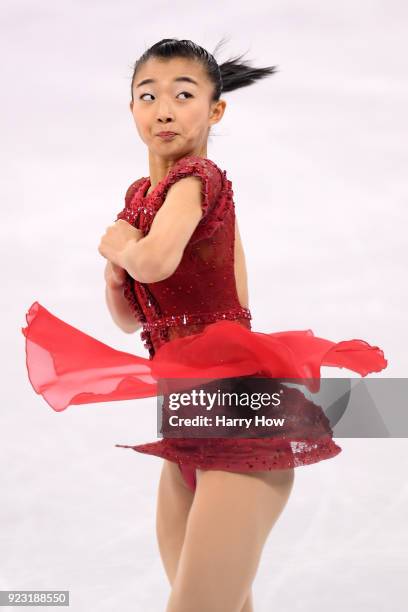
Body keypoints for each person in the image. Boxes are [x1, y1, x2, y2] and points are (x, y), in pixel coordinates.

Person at [22, 38, 388, 612]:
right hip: (184, 423)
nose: (163, 109)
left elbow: (156, 261)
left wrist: (123, 249)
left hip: (238, 419)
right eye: (148, 95)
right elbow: (129, 320)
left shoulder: (198, 179)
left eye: (183, 94)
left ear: (215, 111)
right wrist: (116, 280)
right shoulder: (140, 197)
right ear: (132, 109)